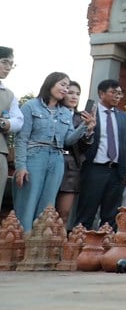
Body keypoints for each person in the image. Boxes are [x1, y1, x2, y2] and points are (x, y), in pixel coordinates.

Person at [14, 72, 94, 229]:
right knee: (28, 202)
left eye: (67, 86)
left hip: (57, 159)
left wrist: (84, 126)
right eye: (62, 85)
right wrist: (21, 166)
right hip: (35, 156)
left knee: (47, 205)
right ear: (50, 83)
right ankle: (21, 243)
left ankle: (38, 247)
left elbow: (68, 141)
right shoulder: (31, 106)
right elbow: (21, 139)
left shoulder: (64, 112)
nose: (65, 89)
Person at [76, 79, 126, 230]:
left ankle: (106, 249)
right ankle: (80, 246)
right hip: (95, 168)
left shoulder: (123, 117)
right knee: (87, 210)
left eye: (120, 93)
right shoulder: (89, 114)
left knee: (111, 215)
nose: (117, 96)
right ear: (101, 93)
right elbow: (80, 142)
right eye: (113, 92)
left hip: (116, 171)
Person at [55, 80, 87, 227]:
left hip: (72, 166)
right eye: (71, 93)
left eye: (78, 94)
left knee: (65, 213)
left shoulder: (82, 118)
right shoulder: (53, 112)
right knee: (46, 210)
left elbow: (84, 148)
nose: (74, 97)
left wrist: (89, 132)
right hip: (53, 160)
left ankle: (59, 248)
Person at [0, 47, 25, 212]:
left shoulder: (8, 94)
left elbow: (19, 120)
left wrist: (4, 124)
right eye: (4, 62)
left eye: (11, 64)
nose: (8, 67)